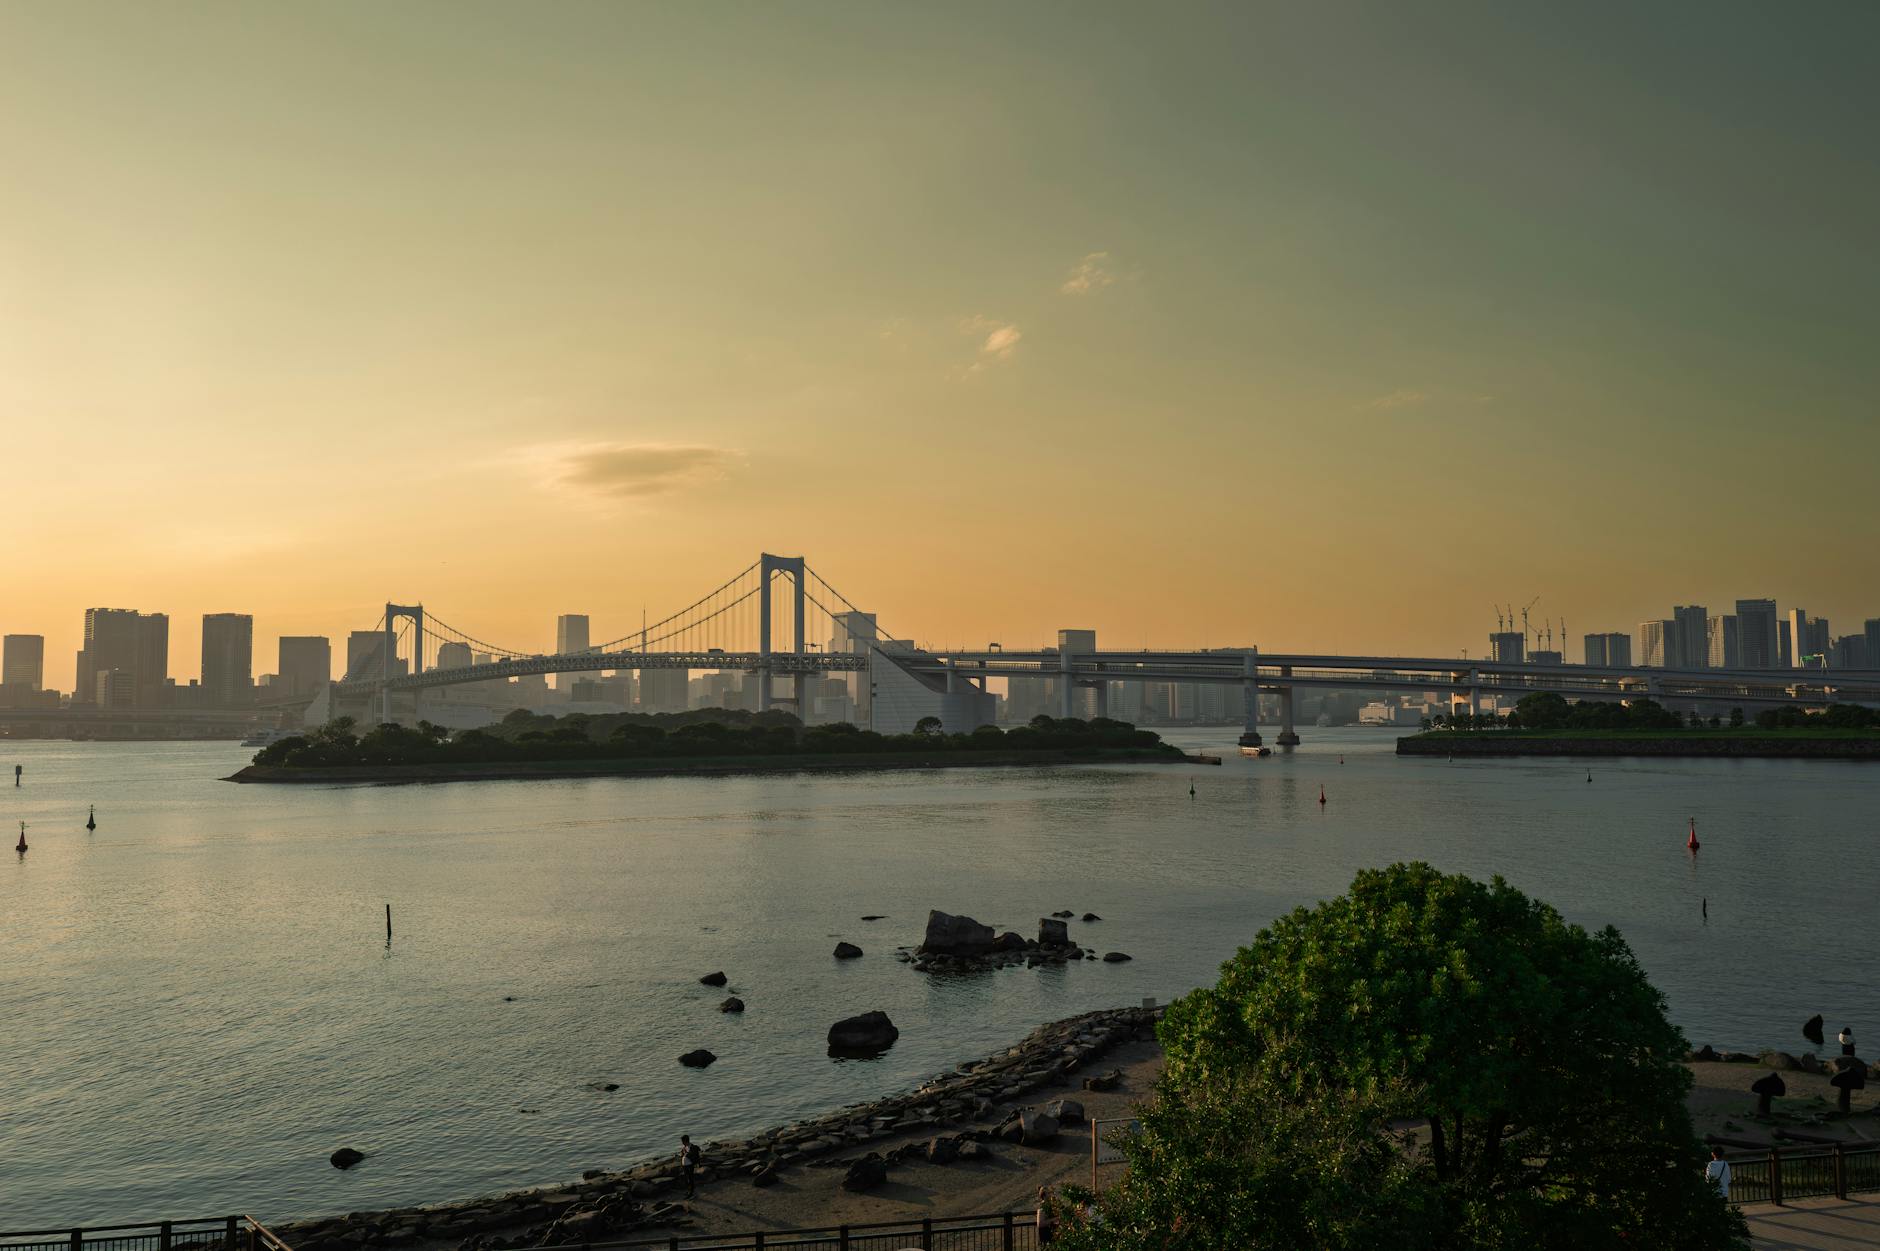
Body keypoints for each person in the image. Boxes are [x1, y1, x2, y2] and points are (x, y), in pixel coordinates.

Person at [679, 1133, 702, 1198]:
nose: (682, 1143)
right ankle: (689, 1191)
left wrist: (697, 1164)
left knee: (690, 1179)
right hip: (685, 1166)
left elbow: (695, 1157)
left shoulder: (692, 1147)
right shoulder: (684, 1147)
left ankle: (691, 1193)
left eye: (682, 1141)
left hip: (689, 1165)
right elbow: (683, 1155)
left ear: (685, 1141)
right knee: (686, 1179)